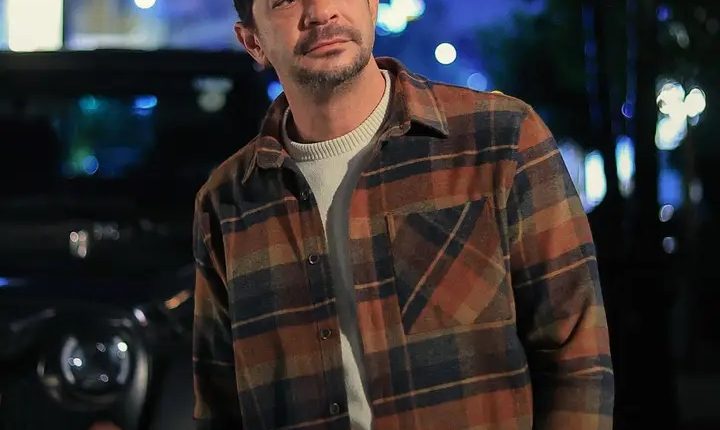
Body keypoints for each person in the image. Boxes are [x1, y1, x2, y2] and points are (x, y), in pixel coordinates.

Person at [191, 0, 614, 428]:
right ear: (253, 41)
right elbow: (220, 405)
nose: (320, 11)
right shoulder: (226, 202)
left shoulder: (499, 140)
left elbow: (577, 360)